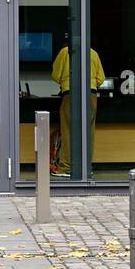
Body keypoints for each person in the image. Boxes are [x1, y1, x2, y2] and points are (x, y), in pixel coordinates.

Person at [49, 35, 104, 177]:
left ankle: (66, 168)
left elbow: (55, 74)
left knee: (68, 129)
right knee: (88, 132)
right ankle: (86, 168)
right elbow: (101, 79)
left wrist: (65, 82)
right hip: (91, 94)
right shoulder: (93, 53)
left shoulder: (65, 52)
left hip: (71, 93)